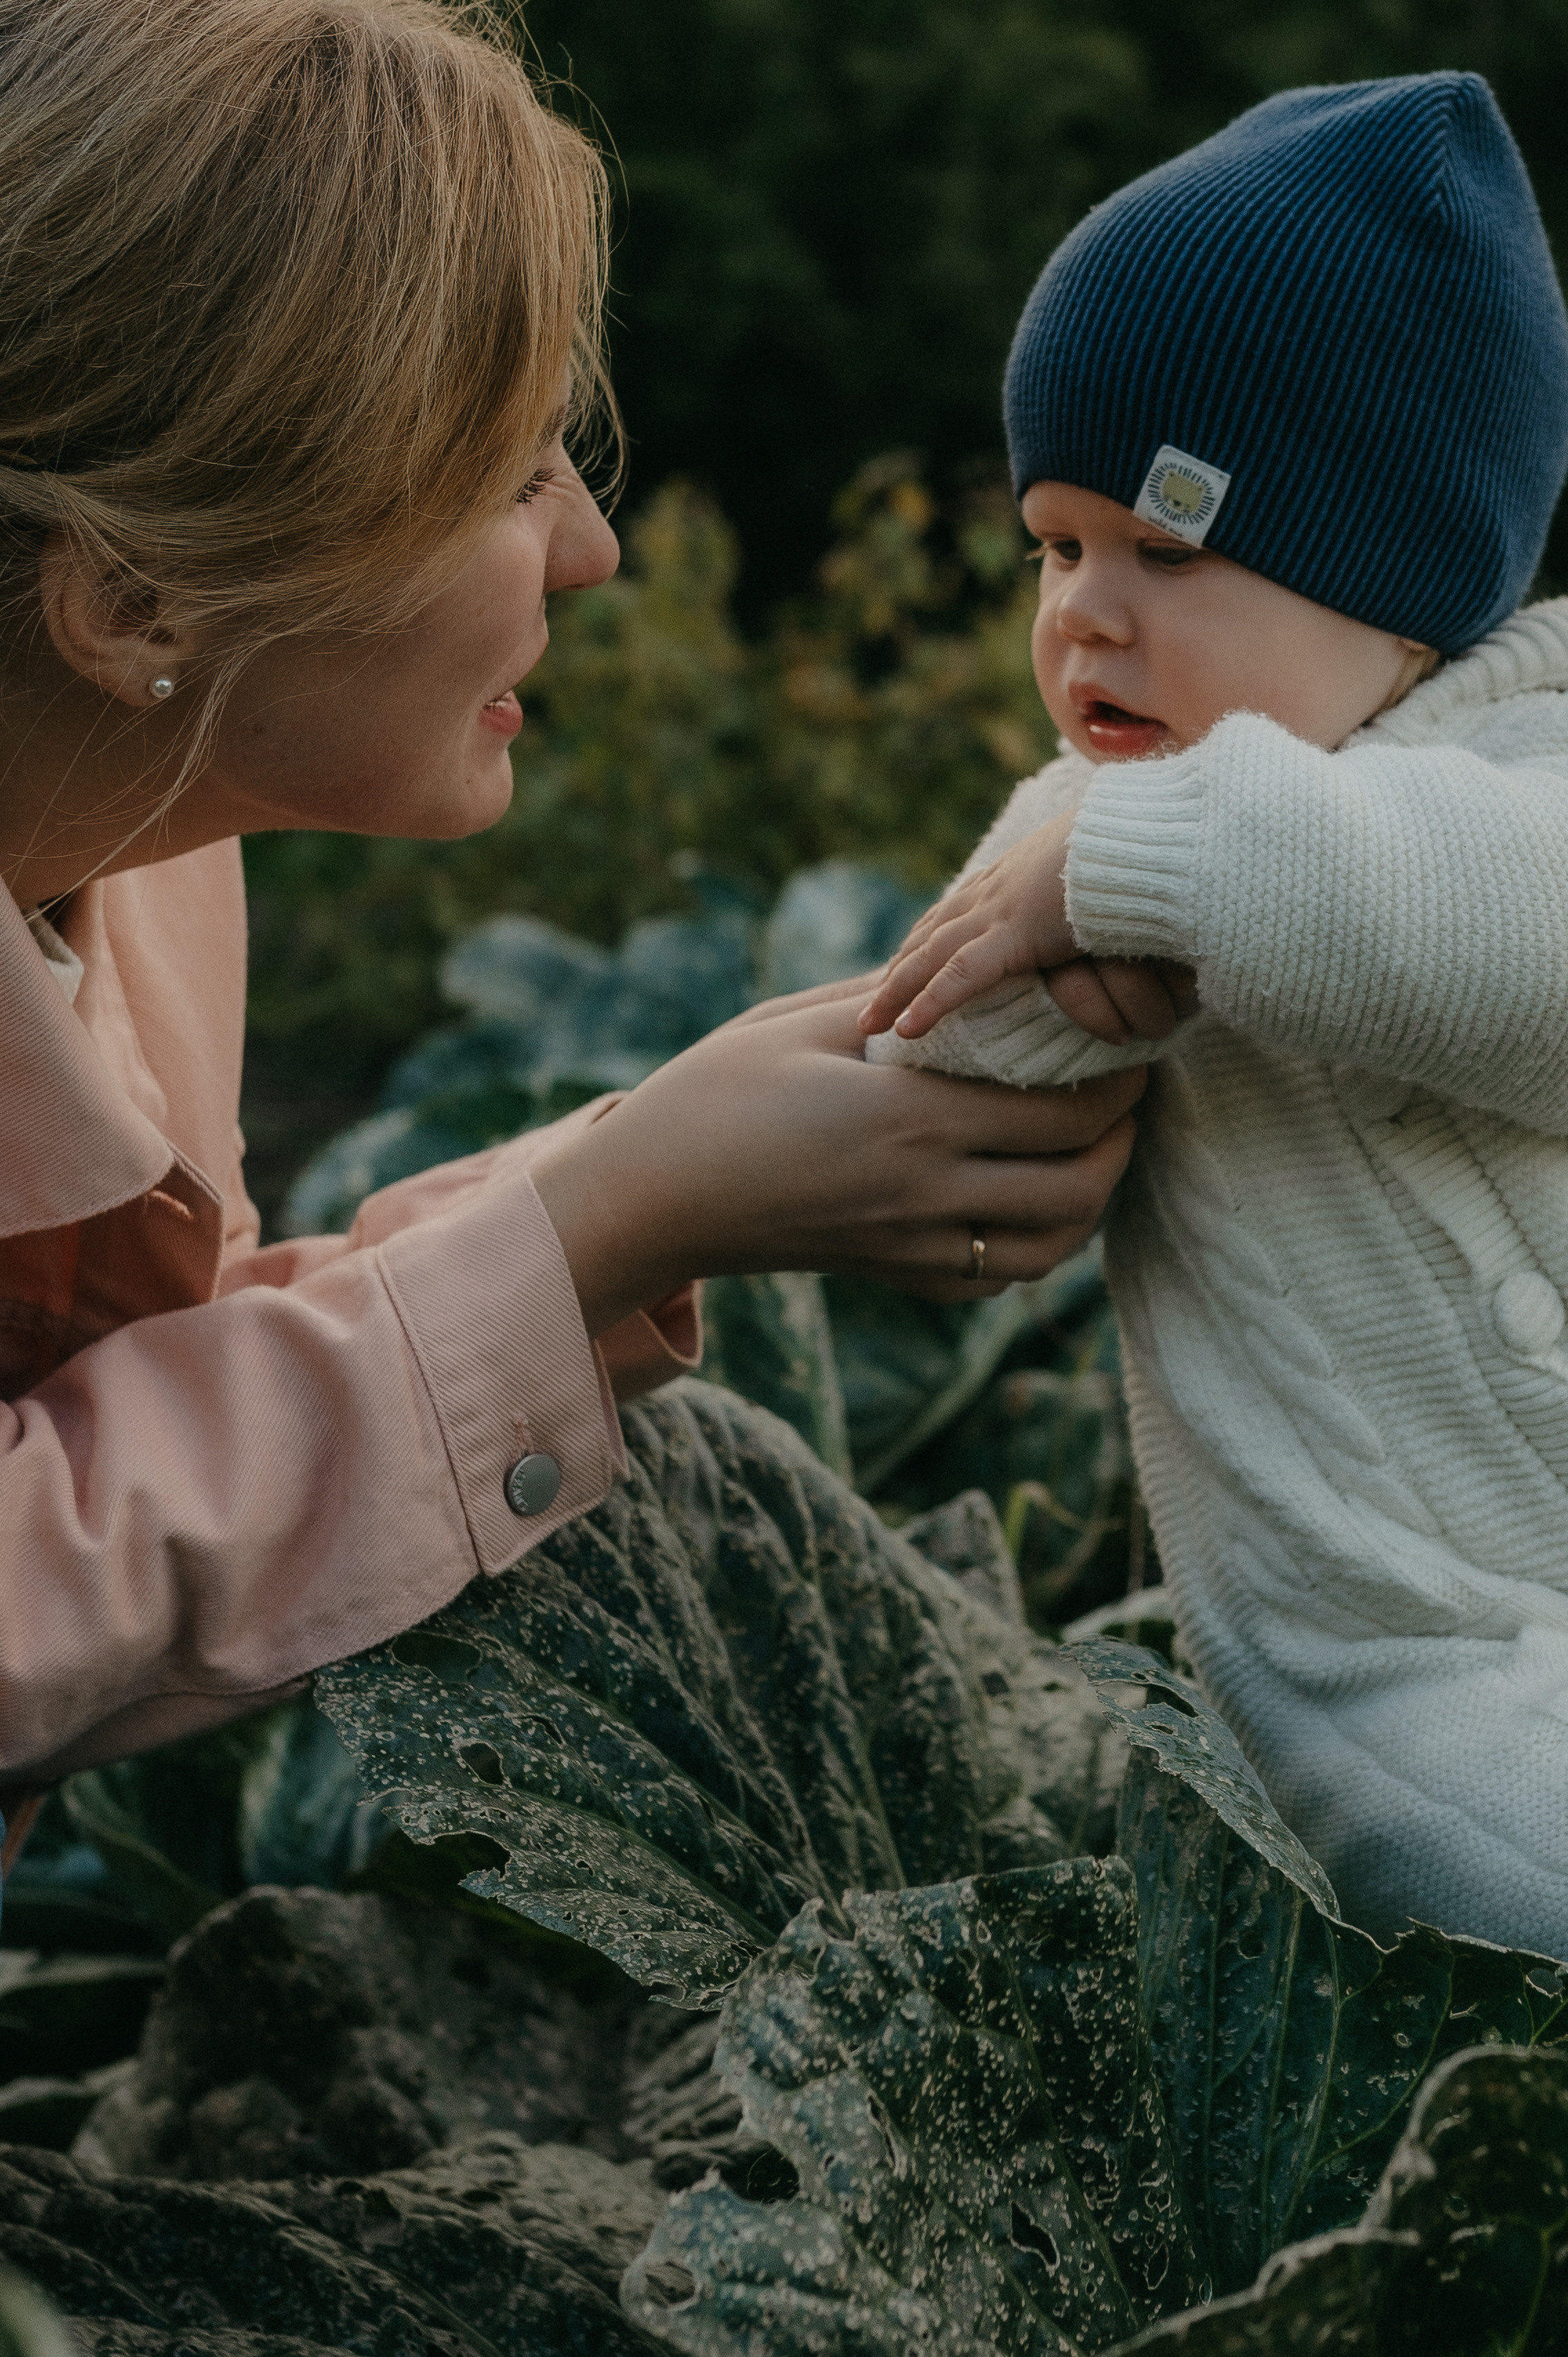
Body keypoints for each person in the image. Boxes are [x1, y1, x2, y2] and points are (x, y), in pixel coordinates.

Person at [0, 0, 1140, 1840]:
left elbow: (114, 1422)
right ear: (135, 601)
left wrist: (627, 1174)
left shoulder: (139, 860)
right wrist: (609, 1214)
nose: (595, 553)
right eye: (511, 474)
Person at [861, 73, 1568, 1957]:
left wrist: (1176, 875)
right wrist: (1069, 941)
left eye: (1164, 552)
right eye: (1054, 548)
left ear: (1401, 593)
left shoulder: (1534, 780)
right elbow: (950, 1070)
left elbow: (1515, 946)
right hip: (1396, 1675)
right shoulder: (1075, 835)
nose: (1084, 616)